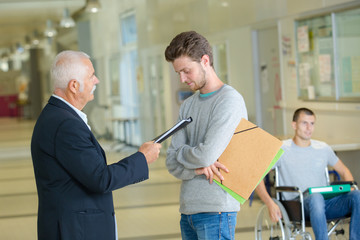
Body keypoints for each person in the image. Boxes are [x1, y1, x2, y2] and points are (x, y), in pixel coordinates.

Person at [31, 50, 161, 240]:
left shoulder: (57, 116)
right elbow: (100, 179)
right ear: (74, 86)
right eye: (91, 76)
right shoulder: (65, 124)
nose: (97, 80)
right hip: (75, 231)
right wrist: (141, 158)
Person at [164, 31, 248, 239]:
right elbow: (171, 162)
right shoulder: (188, 106)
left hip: (217, 210)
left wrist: (186, 155)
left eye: (186, 71)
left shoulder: (229, 101)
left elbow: (205, 155)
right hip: (188, 210)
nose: (182, 79)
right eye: (178, 73)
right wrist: (198, 169)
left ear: (205, 61)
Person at [255, 107, 360, 240]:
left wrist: (348, 187)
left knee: (357, 195)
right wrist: (270, 203)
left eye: (312, 123)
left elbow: (345, 171)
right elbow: (257, 176)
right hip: (297, 206)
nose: (309, 128)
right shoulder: (281, 149)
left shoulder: (323, 148)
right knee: (316, 196)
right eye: (304, 123)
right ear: (294, 125)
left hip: (326, 203)